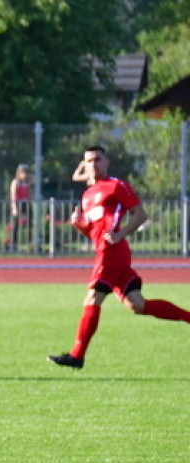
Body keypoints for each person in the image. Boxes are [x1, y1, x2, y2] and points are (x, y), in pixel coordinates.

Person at [48, 145, 190, 370]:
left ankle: (77, 355)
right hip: (109, 251)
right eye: (88, 161)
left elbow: (140, 214)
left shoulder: (116, 186)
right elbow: (93, 231)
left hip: (111, 252)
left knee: (92, 298)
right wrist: (78, 224)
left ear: (107, 162)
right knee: (138, 305)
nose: (93, 165)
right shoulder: (87, 195)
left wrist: (120, 233)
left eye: (97, 160)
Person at [9, 164, 31, 250]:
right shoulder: (15, 182)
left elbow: (29, 193)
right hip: (18, 204)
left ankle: (30, 243)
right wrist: (14, 208)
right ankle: (13, 244)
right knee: (16, 224)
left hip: (26, 203)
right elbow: (13, 195)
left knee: (29, 224)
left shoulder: (26, 182)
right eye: (23, 172)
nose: (25, 174)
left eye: (26, 173)